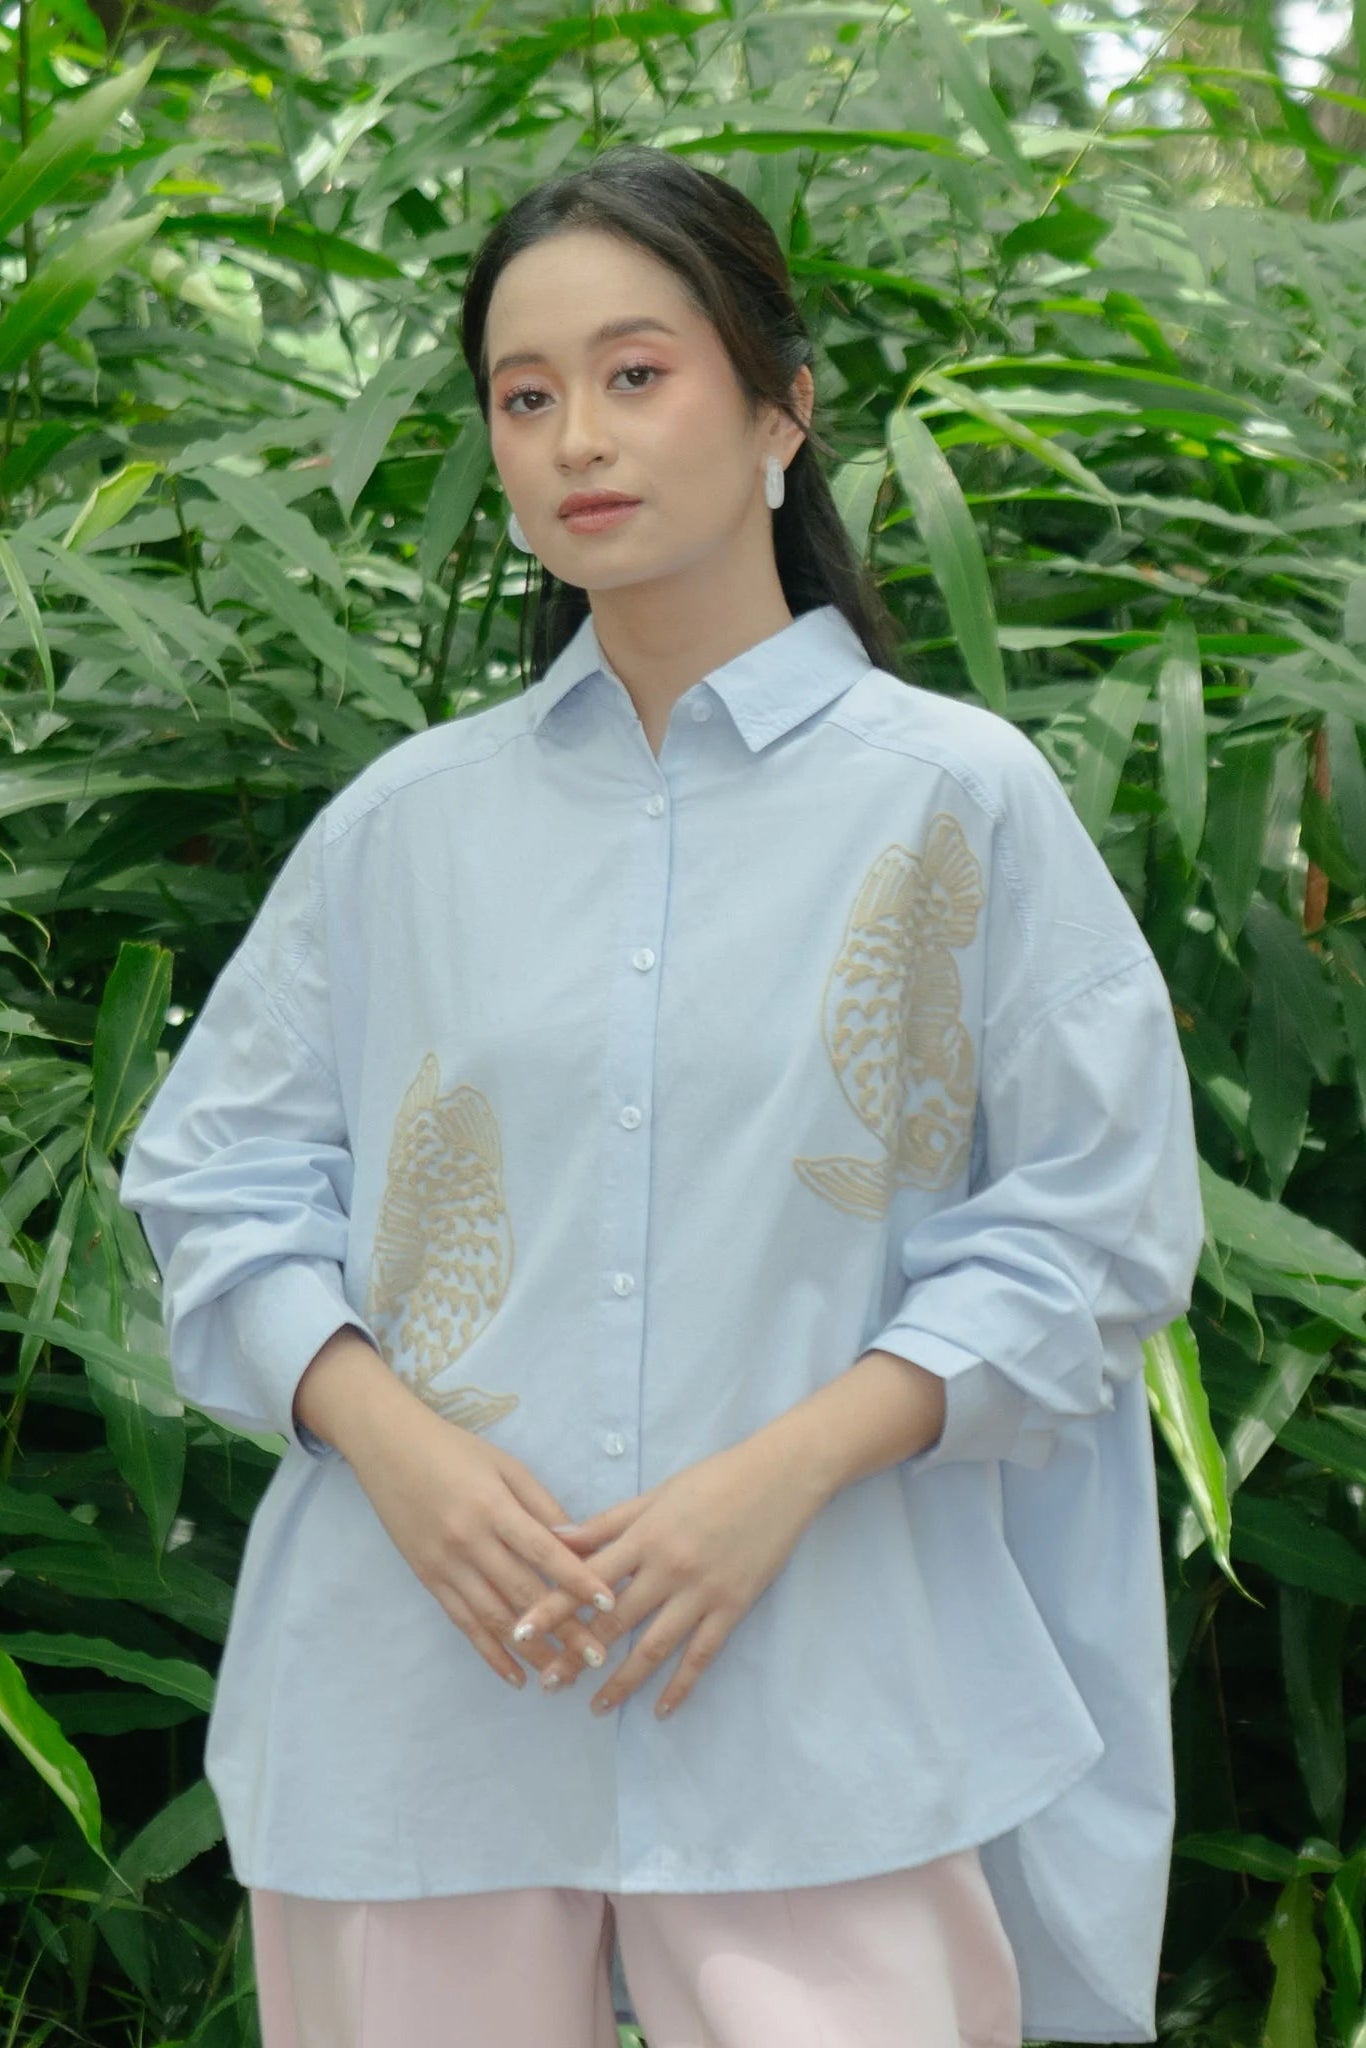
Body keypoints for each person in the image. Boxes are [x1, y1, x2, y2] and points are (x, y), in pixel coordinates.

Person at [119, 144, 1204, 2048]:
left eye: (637, 373)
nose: (572, 438)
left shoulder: (956, 801)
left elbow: (1099, 1222)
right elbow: (215, 1184)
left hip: (832, 1706)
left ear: (781, 408)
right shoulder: (407, 831)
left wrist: (781, 1474)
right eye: (523, 397)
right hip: (417, 1708)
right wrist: (389, 1436)